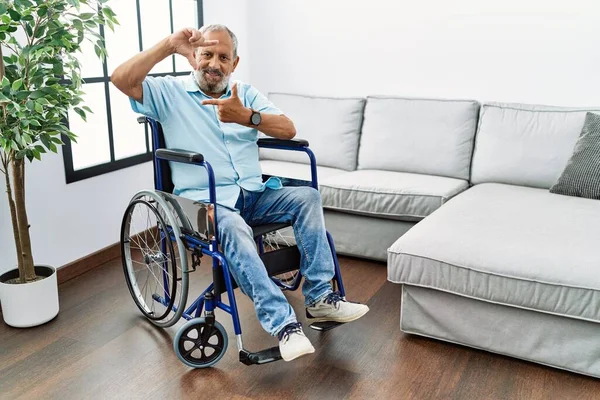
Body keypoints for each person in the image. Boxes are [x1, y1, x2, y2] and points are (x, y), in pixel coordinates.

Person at [111, 24, 369, 362]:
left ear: (234, 63)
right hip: (204, 202)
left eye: (223, 57)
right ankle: (284, 326)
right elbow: (120, 79)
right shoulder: (169, 93)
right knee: (231, 227)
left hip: (252, 193)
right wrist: (169, 45)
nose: (214, 63)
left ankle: (320, 299)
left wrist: (246, 116)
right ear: (195, 57)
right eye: (207, 54)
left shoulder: (244, 92)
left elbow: (288, 129)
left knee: (307, 197)